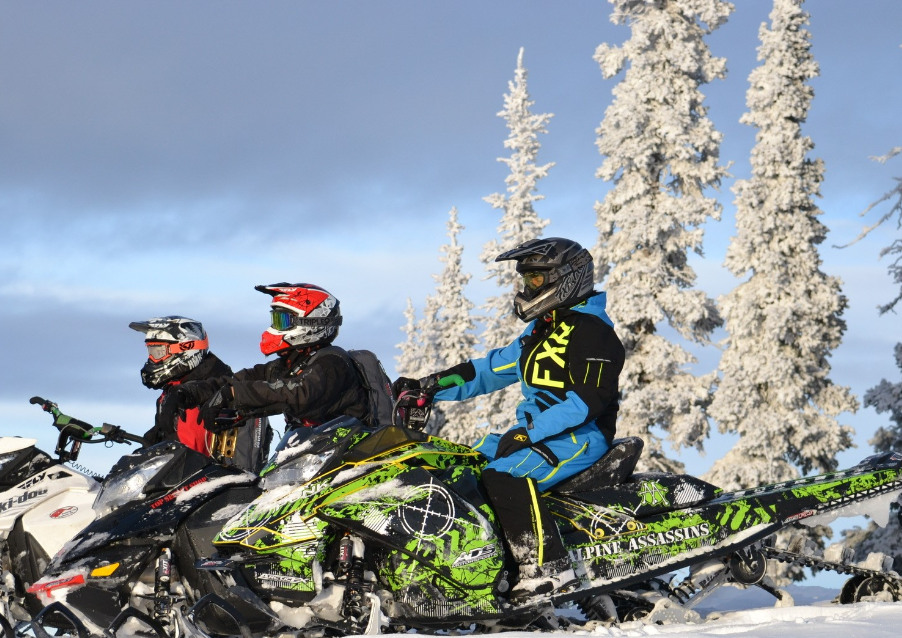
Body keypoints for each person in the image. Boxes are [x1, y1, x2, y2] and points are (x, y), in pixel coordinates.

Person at [393, 238, 625, 603]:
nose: (526, 287)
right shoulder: (542, 331)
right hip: (540, 435)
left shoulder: (594, 333)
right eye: (525, 279)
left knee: (504, 476)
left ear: (566, 278)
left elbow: (587, 401)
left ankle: (547, 570)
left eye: (534, 279)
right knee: (459, 469)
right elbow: (487, 370)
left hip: (580, 436)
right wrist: (429, 386)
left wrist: (528, 433)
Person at [173, 283, 368, 432]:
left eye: (282, 320)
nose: (274, 327)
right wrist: (192, 392)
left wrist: (233, 394)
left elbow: (298, 393)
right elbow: (243, 380)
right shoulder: (291, 363)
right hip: (317, 459)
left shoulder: (333, 363)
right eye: (274, 319)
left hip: (355, 461)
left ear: (312, 321)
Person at [131, 315, 269, 472]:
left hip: (209, 486)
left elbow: (189, 452)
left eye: (158, 352)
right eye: (150, 351)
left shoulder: (214, 392)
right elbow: (162, 441)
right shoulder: (174, 391)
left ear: (186, 348)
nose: (152, 359)